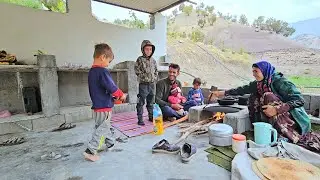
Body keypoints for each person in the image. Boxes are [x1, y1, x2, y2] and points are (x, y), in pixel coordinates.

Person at [209, 60, 320, 153]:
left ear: (264, 71)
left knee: (268, 96)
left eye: (256, 71)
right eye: (253, 71)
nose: (254, 74)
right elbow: (241, 90)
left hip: (292, 119)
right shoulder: (258, 84)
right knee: (253, 97)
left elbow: (299, 100)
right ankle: (264, 129)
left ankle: (287, 135)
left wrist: (276, 109)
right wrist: (221, 93)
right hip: (276, 116)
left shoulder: (279, 82)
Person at [83, 43, 126, 162]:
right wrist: (121, 94)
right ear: (102, 57)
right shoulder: (102, 71)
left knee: (103, 126)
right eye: (108, 61)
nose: (108, 64)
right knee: (102, 128)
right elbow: (111, 87)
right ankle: (90, 151)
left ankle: (110, 143)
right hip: (104, 106)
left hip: (97, 106)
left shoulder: (92, 72)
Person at [134, 40, 158, 126]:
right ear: (143, 50)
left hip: (152, 84)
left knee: (151, 101)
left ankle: (151, 116)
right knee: (141, 102)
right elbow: (137, 71)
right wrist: (144, 78)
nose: (148, 51)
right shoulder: (140, 59)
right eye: (146, 49)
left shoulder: (154, 61)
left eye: (150, 49)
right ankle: (140, 119)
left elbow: (156, 71)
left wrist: (154, 78)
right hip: (143, 85)